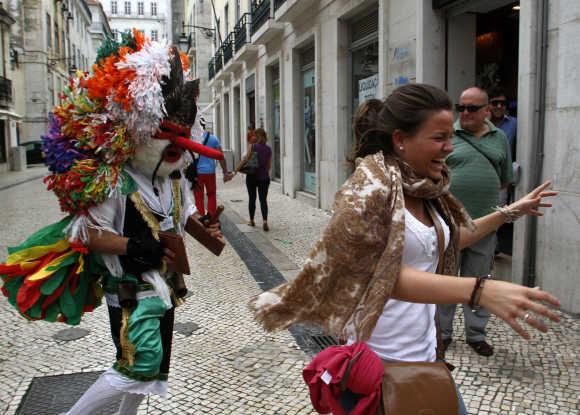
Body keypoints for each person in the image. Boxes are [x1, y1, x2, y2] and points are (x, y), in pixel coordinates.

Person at [250, 84, 559, 414]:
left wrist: (510, 212)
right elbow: (372, 276)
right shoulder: (368, 189)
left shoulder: (428, 189)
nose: (449, 147)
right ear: (400, 139)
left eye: (449, 137)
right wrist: (479, 290)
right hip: (378, 364)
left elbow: (451, 239)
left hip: (424, 355)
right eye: (439, 138)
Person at [0, 32, 223, 414]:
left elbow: (183, 215)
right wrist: (134, 246)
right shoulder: (116, 183)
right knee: (139, 365)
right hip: (130, 290)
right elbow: (86, 234)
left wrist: (208, 231)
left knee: (152, 372)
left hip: (166, 286)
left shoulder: (171, 179)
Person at [438, 86, 514, 357]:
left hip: (485, 222)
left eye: (472, 108)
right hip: (450, 223)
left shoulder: (500, 138)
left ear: (487, 110)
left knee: (480, 280)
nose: (466, 113)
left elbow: (505, 178)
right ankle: (442, 333)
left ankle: (476, 334)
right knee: (446, 281)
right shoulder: (448, 134)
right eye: (462, 107)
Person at [231, 128, 272, 231]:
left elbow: (245, 160)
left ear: (256, 136)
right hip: (264, 178)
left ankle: (252, 220)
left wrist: (235, 171)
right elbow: (269, 166)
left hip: (252, 176)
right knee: (263, 200)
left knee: (252, 198)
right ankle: (265, 221)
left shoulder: (252, 146)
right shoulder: (268, 149)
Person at [192, 117, 232, 216]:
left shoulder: (193, 139)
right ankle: (211, 217)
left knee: (198, 197)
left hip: (197, 173)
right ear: (204, 126)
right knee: (211, 194)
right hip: (210, 172)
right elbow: (221, 157)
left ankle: (201, 219)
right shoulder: (213, 138)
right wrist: (225, 172)